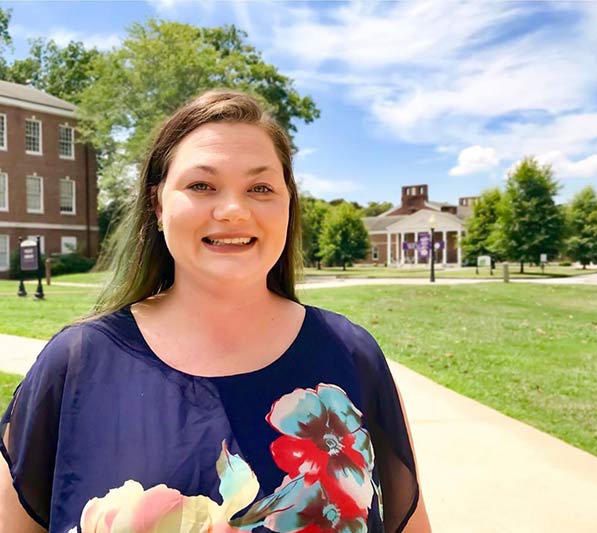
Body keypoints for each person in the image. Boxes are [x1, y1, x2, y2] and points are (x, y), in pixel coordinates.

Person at [0, 91, 431, 533]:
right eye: (201, 185)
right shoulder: (74, 365)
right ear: (158, 205)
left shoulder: (352, 356)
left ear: (287, 205)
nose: (233, 210)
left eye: (260, 188)